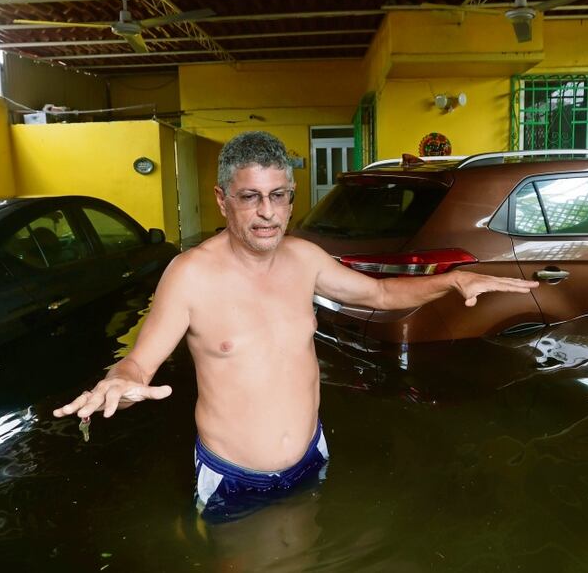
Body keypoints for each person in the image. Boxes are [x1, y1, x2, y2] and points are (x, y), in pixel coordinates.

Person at [54, 131, 537, 518]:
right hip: (232, 476)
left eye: (278, 196)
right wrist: (120, 379)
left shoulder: (306, 259)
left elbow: (383, 294)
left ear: (291, 198)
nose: (267, 213)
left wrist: (450, 282)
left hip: (311, 456)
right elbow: (140, 361)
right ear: (223, 200)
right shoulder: (190, 275)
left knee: (300, 550)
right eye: (250, 197)